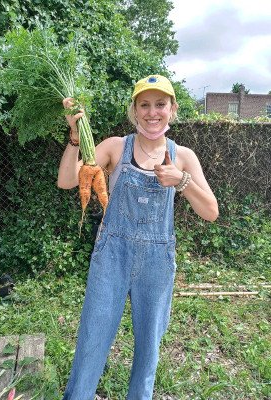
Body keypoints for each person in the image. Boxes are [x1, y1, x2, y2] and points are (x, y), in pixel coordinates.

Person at [58, 75, 219, 400]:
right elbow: (66, 181)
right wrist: (75, 137)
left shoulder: (183, 156)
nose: (152, 112)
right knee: (93, 339)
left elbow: (212, 211)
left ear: (171, 109)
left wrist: (182, 180)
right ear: (134, 111)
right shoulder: (116, 147)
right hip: (111, 258)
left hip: (156, 265)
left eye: (160, 104)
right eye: (144, 105)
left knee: (148, 349)